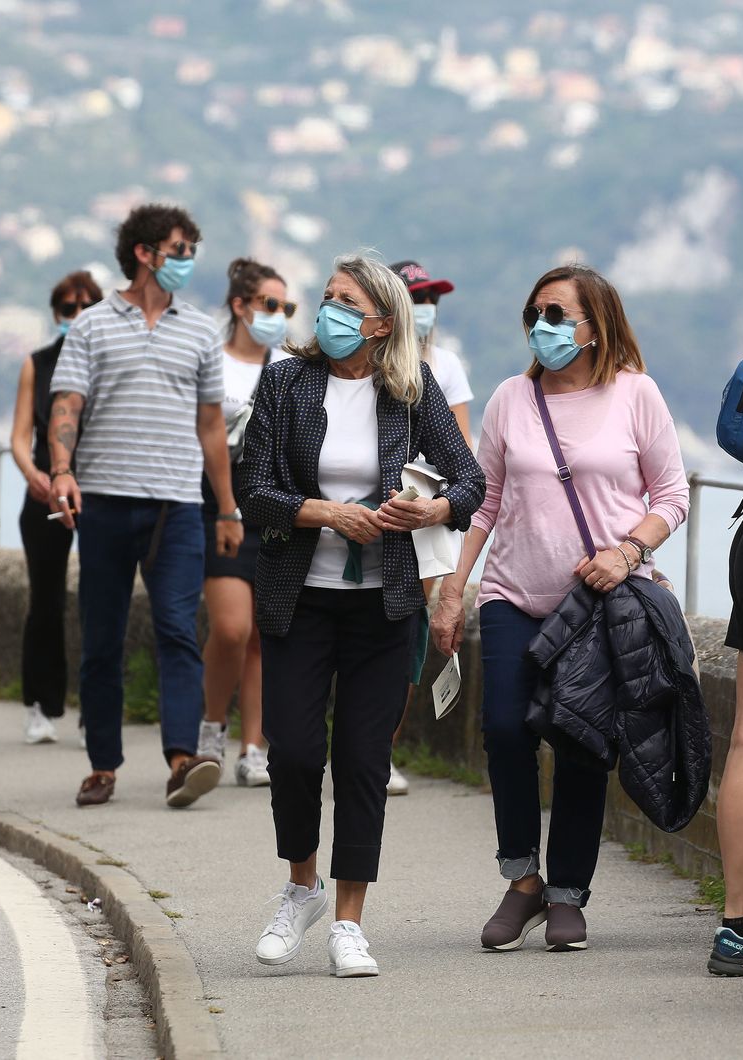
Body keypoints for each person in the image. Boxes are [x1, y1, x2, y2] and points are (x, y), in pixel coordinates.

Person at [431, 263, 690, 953]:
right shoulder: (514, 398)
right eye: (535, 315)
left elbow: (672, 496)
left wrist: (627, 553)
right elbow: (483, 500)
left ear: (594, 325)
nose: (542, 328)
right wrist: (454, 588)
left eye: (556, 315)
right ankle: (522, 881)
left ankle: (569, 893)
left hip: (602, 604)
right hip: (516, 595)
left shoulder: (637, 395)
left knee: (582, 743)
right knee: (507, 733)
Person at [237, 253, 484, 977]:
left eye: (348, 302)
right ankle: (300, 888)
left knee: (363, 762)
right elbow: (252, 489)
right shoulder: (285, 379)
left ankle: (349, 920)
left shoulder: (410, 389)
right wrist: (326, 515)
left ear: (382, 322)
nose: (331, 312)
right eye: (328, 298)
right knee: (293, 752)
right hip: (299, 598)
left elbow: (470, 479)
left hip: (385, 605)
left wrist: (432, 508)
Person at [48, 203, 239, 810]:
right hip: (103, 500)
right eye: (178, 250)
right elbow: (67, 406)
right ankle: (102, 764)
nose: (186, 261)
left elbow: (212, 427)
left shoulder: (201, 330)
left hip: (177, 507)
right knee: (101, 637)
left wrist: (228, 508)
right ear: (144, 252)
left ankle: (182, 759)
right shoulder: (92, 326)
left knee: (178, 631)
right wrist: (60, 471)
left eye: (190, 251)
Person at [194, 257, 294, 788]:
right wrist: (226, 507)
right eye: (270, 305)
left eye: (286, 307)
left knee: (263, 634)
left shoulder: (288, 366)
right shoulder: (211, 360)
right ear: (240, 305)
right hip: (219, 506)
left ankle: (253, 746)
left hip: (271, 507)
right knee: (231, 628)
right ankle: (213, 725)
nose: (279, 315)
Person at [382, 259, 476, 796]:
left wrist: (439, 501)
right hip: (372, 510)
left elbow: (460, 455)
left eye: (432, 299)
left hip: (423, 515)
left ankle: (383, 748)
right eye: (415, 296)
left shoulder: (447, 365)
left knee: (408, 630)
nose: (425, 308)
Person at [10, 270, 103, 746]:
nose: (78, 315)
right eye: (69, 308)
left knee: (98, 599)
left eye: (87, 306)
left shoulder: (107, 361)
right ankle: (40, 704)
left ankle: (95, 708)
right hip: (45, 490)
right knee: (44, 597)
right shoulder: (37, 363)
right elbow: (19, 437)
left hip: (100, 490)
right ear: (56, 314)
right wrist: (35, 477)